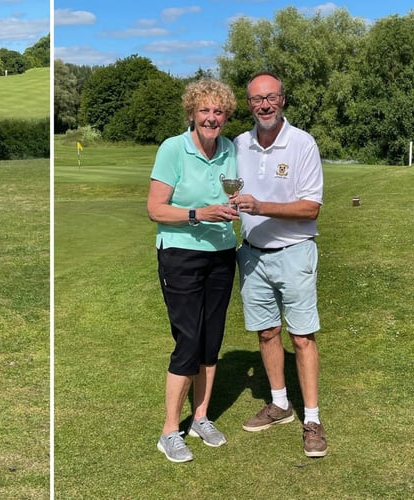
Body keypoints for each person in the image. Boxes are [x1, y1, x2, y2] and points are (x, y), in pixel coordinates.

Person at [229, 71, 327, 458]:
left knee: (301, 338)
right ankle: (280, 404)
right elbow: (230, 190)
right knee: (267, 333)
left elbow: (311, 207)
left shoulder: (302, 143)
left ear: (283, 100)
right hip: (252, 254)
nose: (264, 105)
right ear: (249, 104)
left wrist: (261, 206)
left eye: (271, 97)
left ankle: (313, 419)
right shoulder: (239, 143)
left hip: (294, 252)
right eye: (256, 99)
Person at [146, 78, 239, 463]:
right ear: (192, 113)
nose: (212, 118)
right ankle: (169, 431)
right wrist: (199, 214)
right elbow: (155, 208)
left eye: (219, 111)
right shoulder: (173, 148)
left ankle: (200, 417)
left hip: (221, 253)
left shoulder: (230, 149)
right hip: (180, 254)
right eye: (205, 110)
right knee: (188, 340)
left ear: (226, 116)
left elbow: (233, 194)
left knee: (211, 339)